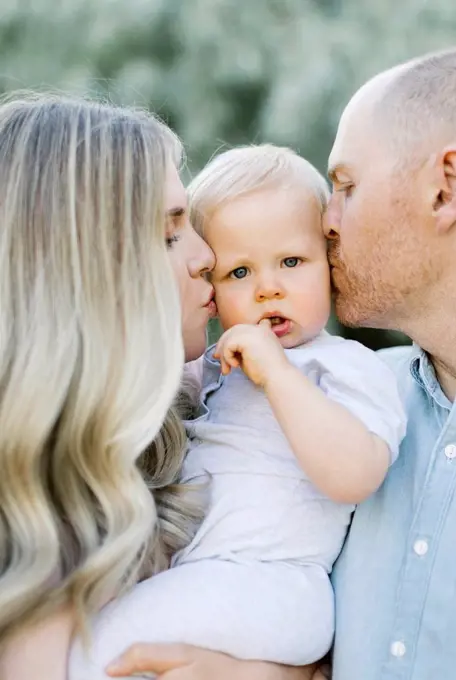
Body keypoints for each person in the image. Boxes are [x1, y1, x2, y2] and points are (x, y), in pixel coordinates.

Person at [109, 44, 456, 680]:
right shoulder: (374, 392)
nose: (325, 221)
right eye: (238, 269)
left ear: (445, 188)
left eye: (346, 186)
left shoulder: (344, 390)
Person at [68, 144, 406, 680]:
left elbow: (356, 474)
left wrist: (278, 376)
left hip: (274, 584)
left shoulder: (345, 367)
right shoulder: (211, 368)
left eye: (292, 262)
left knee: (94, 652)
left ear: (329, 263)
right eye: (240, 271)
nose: (269, 287)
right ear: (211, 287)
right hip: (207, 578)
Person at [0, 93, 214, 679]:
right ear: (88, 276)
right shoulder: (36, 543)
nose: (207, 258)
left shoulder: (203, 424)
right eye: (170, 235)